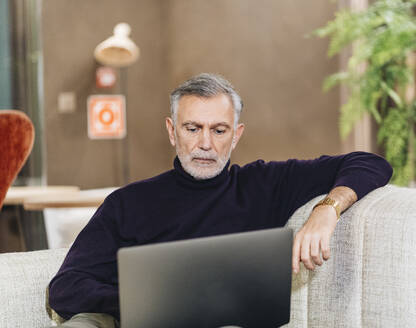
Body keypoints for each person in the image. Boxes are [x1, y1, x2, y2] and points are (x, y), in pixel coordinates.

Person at [47, 73, 393, 327]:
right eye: (192, 128)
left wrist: (327, 210)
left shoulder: (265, 183)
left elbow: (369, 162)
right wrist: (144, 302)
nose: (205, 144)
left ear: (236, 135)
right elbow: (65, 288)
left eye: (219, 130)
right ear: (172, 131)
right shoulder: (127, 203)